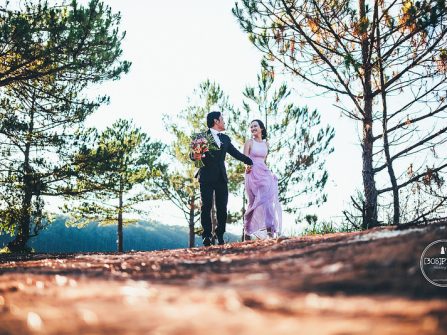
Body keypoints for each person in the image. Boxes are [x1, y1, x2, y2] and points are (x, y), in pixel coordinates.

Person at [191, 111, 253, 246]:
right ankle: (206, 236)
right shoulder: (201, 137)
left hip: (221, 178)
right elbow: (194, 157)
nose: (224, 121)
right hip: (206, 177)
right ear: (216, 121)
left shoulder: (225, 139)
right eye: (222, 119)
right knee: (206, 207)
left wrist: (249, 160)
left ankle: (220, 235)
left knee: (222, 209)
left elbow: (235, 153)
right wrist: (198, 154)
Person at [243, 119, 282, 240]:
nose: (253, 128)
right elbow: (244, 159)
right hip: (252, 173)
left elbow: (263, 160)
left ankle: (270, 231)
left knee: (267, 201)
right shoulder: (249, 142)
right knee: (253, 202)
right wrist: (247, 167)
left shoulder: (266, 144)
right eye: (251, 127)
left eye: (255, 126)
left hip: (263, 173)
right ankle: (247, 232)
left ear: (261, 128)